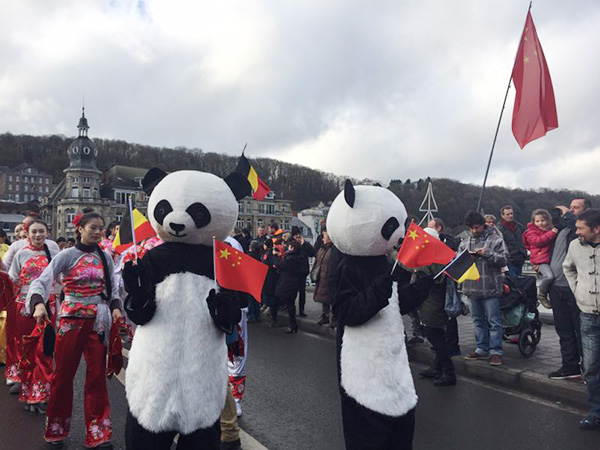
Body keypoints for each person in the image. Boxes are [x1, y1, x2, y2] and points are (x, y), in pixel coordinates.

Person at [27, 211, 122, 448]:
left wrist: (116, 307)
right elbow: (41, 281)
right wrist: (39, 304)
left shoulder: (105, 257)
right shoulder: (66, 256)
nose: (99, 232)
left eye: (101, 228)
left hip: (98, 322)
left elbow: (113, 287)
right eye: (93, 227)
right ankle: (57, 429)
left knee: (97, 377)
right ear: (79, 228)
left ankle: (98, 433)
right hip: (70, 322)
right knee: (63, 376)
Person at [7, 218, 58, 410]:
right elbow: (12, 279)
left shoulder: (54, 253)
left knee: (44, 347)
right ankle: (27, 389)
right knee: (26, 347)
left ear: (47, 233)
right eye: (34, 232)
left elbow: (61, 278)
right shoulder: (21, 254)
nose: (38, 235)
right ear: (27, 234)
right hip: (24, 306)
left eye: (41, 231)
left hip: (48, 304)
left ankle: (40, 392)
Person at [562, 208, 600, 430]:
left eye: (580, 228)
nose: (576, 232)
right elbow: (568, 269)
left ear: (596, 228)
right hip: (587, 314)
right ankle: (596, 412)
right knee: (591, 367)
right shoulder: (575, 246)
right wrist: (579, 291)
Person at [547, 199, 591, 380]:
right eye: (570, 207)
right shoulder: (561, 228)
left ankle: (588, 369)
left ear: (586, 211)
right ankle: (570, 366)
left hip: (574, 287)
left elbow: (576, 229)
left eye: (576, 208)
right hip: (556, 286)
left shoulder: (581, 230)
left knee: (581, 331)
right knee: (563, 329)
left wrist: (566, 214)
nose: (572, 210)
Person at [459, 210, 509, 366]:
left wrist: (487, 254)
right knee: (478, 321)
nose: (474, 230)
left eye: (477, 227)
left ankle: (496, 351)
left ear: (483, 225)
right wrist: (466, 258)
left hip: (490, 288)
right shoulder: (465, 242)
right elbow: (458, 263)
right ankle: (481, 349)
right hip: (471, 288)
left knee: (494, 321)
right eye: (472, 228)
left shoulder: (496, 239)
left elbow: (504, 259)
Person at [418, 227, 457, 386]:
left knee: (434, 335)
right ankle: (437, 367)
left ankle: (448, 372)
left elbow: (423, 273)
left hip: (432, 301)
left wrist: (396, 256)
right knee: (438, 336)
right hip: (436, 300)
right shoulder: (441, 254)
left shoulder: (432, 257)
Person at [522, 209, 558, 309]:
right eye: (537, 221)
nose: (540, 223)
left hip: (549, 259)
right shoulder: (531, 232)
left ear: (548, 220)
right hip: (540, 260)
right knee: (549, 276)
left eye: (543, 220)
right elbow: (538, 241)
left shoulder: (550, 230)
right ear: (533, 222)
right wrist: (552, 233)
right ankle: (542, 294)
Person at [274, 240, 303, 334]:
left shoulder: (290, 258)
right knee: (290, 304)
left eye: (289, 247)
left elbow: (280, 265)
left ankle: (292, 325)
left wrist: (275, 256)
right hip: (293, 282)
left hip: (288, 283)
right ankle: (293, 325)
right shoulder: (299, 257)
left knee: (288, 304)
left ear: (293, 248)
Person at [496, 205, 527, 278]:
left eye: (511, 213)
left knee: (520, 281)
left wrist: (524, 253)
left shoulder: (519, 227)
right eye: (508, 214)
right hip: (509, 260)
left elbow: (526, 239)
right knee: (512, 281)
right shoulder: (499, 229)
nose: (510, 216)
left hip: (520, 259)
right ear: (502, 216)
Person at [311, 228, 334, 325]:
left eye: (324, 237)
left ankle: (334, 318)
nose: (322, 239)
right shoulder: (322, 248)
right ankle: (325, 315)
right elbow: (317, 261)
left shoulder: (333, 250)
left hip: (329, 276)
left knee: (331, 298)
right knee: (324, 298)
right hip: (322, 276)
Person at [292, 226, 314, 317]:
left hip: (302, 271)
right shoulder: (291, 244)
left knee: (302, 291)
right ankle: (291, 308)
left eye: (298, 235)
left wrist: (304, 244)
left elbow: (312, 253)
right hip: (293, 271)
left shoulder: (305, 244)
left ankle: (301, 309)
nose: (297, 237)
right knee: (292, 291)